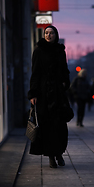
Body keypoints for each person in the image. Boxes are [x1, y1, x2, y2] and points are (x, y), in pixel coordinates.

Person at [28, 25, 70, 168]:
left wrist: (65, 83)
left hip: (58, 93)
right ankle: (51, 157)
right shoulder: (39, 51)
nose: (48, 35)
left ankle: (59, 154)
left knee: (59, 125)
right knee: (46, 126)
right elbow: (35, 74)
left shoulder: (60, 51)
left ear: (56, 35)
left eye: (51, 33)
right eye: (46, 33)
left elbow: (65, 70)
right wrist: (33, 93)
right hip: (44, 93)